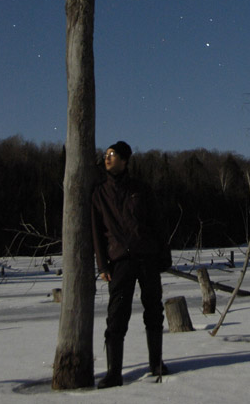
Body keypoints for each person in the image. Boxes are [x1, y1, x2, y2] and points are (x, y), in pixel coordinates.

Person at [91, 141, 172, 388]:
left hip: (146, 256)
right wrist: (102, 265)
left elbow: (156, 222)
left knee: (154, 311)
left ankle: (156, 363)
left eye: (112, 155)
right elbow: (96, 232)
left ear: (125, 160)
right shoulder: (99, 193)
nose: (107, 158)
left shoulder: (141, 189)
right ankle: (114, 372)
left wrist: (163, 253)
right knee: (117, 316)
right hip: (120, 261)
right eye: (106, 154)